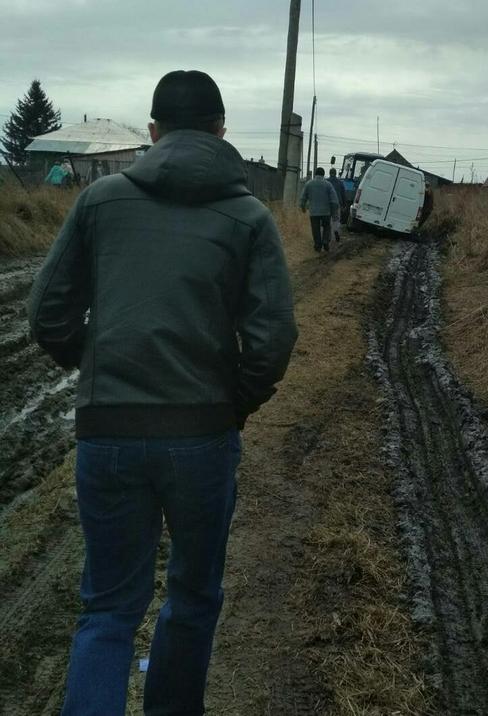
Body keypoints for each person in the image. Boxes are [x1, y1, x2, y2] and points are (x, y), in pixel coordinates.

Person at [28, 69, 298, 716]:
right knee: (195, 596)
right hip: (201, 438)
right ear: (221, 130)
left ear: (152, 132)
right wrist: (230, 404)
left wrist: (97, 370)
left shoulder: (100, 202)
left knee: (108, 608)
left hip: (109, 431)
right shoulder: (249, 216)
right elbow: (274, 337)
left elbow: (48, 314)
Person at [299, 166, 339, 253]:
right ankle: (325, 241)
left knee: (315, 229)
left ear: (315, 174)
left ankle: (318, 246)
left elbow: (303, 197)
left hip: (313, 212)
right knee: (327, 226)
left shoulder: (309, 184)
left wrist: (303, 207)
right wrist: (334, 210)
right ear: (323, 175)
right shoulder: (328, 184)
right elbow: (334, 199)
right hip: (326, 211)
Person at [326, 167, 347, 242]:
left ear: (329, 173)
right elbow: (344, 194)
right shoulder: (340, 183)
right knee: (336, 219)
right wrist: (344, 205)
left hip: (327, 204)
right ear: (336, 173)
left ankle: (328, 236)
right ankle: (336, 230)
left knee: (327, 220)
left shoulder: (326, 182)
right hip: (337, 204)